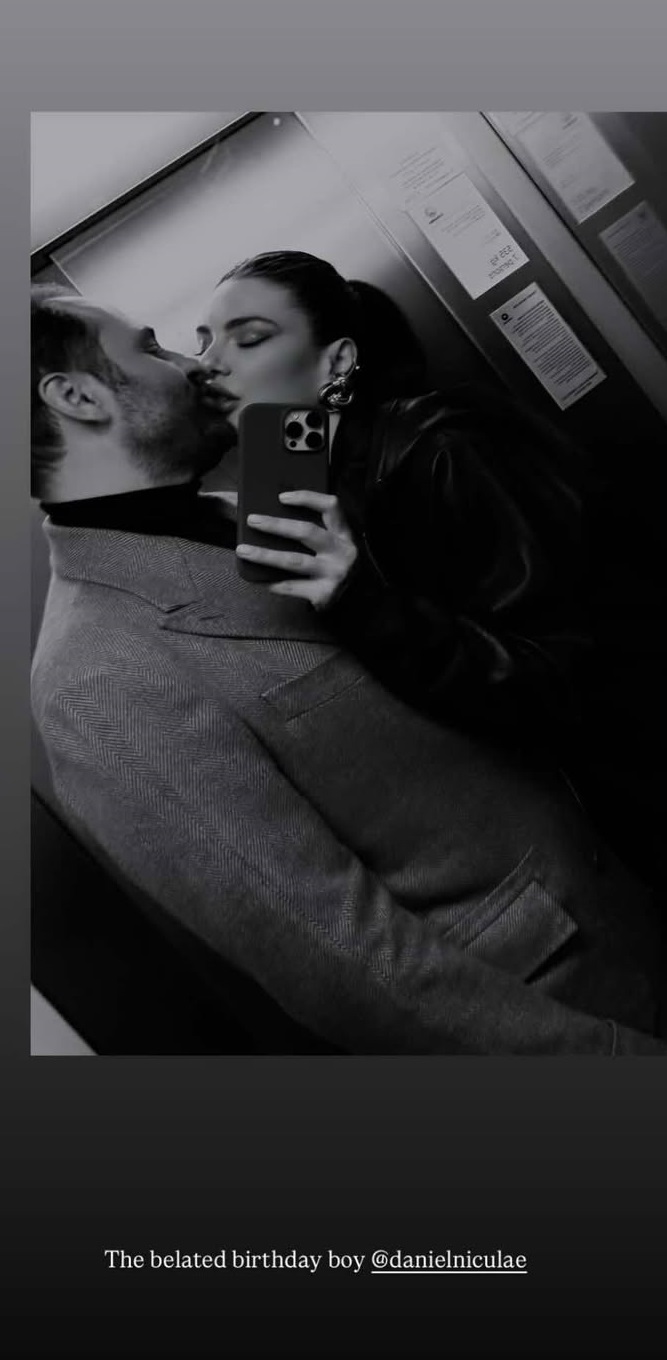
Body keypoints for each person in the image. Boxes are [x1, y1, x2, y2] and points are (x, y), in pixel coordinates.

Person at [30, 283, 667, 1055]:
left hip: (623, 897)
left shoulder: (249, 510)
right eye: (152, 347)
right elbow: (349, 966)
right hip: (574, 1012)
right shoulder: (96, 683)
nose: (191, 365)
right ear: (76, 396)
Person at [196, 251, 591, 764]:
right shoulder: (321, 480)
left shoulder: (445, 448)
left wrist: (359, 600)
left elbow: (573, 673)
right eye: (203, 342)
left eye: (248, 338)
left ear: (338, 362)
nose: (208, 364)